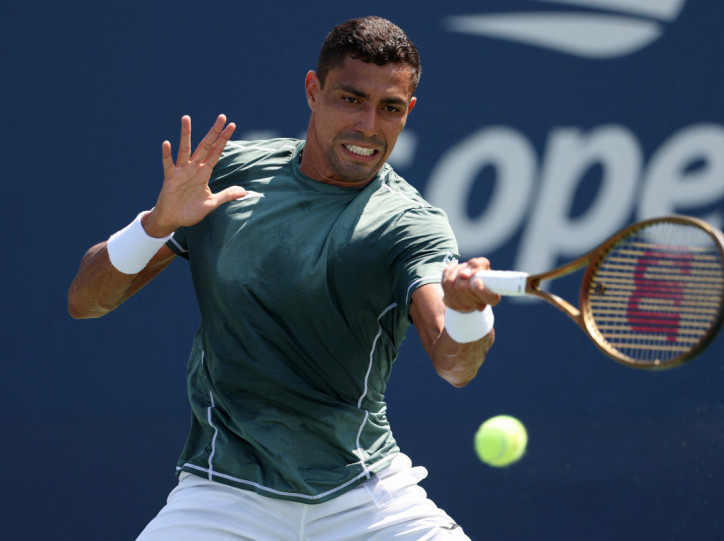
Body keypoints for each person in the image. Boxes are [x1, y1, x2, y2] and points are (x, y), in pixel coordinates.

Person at [68, 16, 500, 540]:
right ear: (313, 91)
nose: (367, 126)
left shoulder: (411, 224)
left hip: (365, 497)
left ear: (408, 112)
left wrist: (469, 314)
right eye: (350, 99)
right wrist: (156, 225)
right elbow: (86, 302)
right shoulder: (225, 176)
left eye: (388, 108)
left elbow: (456, 367)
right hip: (222, 491)